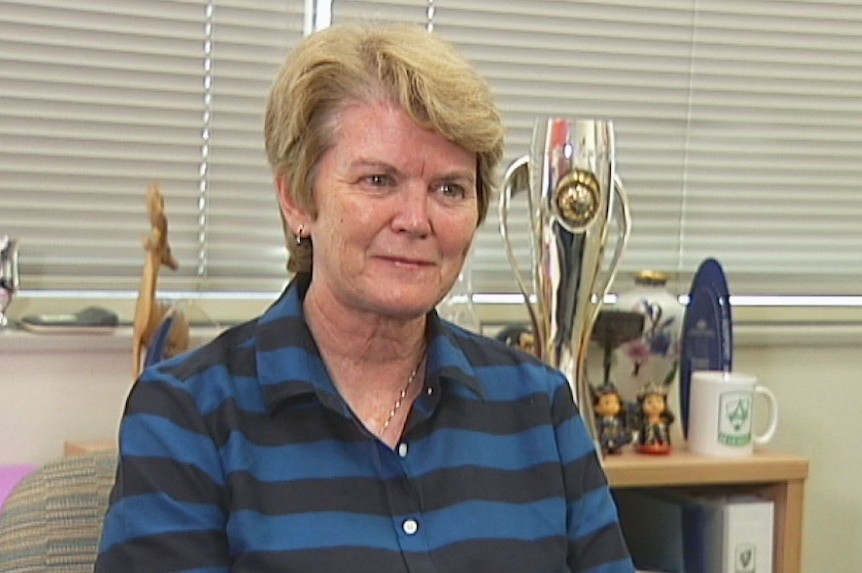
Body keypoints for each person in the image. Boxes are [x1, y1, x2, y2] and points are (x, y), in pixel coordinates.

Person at [95, 23, 635, 573]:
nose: (415, 220)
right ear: (297, 200)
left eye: (449, 189)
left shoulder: (538, 408)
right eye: (378, 181)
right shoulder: (187, 415)